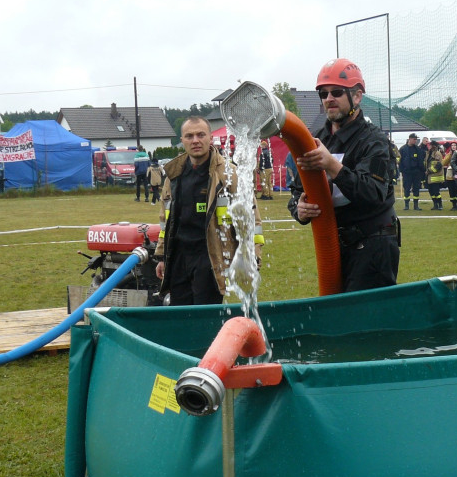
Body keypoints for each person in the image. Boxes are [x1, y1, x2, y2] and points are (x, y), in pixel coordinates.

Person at [289, 58, 399, 292]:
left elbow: (373, 193)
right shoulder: (316, 138)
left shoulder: (374, 141)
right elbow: (297, 190)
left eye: (337, 92)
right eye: (323, 93)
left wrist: (332, 166)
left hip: (373, 244)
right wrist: (299, 209)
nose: (329, 99)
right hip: (333, 243)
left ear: (357, 96)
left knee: (364, 318)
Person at [155, 116, 263, 305]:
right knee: (180, 315)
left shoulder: (228, 174)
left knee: (206, 318)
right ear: (182, 141)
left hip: (211, 257)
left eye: (200, 135)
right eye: (189, 136)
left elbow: (251, 218)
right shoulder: (173, 175)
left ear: (210, 138)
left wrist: (253, 256)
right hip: (179, 257)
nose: (195, 140)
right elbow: (166, 221)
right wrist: (162, 256)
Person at [398, 133, 425, 211]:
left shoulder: (418, 149)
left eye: (416, 139)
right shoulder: (403, 149)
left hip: (416, 172)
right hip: (407, 172)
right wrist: (402, 170)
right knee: (407, 188)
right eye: (414, 139)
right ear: (409, 139)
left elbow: (420, 160)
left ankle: (416, 205)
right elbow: (400, 161)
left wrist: (421, 170)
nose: (415, 141)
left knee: (416, 188)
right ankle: (406, 205)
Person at [441, 141, 457, 211]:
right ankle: (454, 205)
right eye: (452, 145)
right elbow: (443, 163)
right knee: (451, 190)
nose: (453, 146)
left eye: (455, 145)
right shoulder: (449, 154)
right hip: (450, 174)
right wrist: (449, 155)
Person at [425, 140, 446, 210]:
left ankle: (440, 204)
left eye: (430, 145)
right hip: (430, 177)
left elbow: (438, 165)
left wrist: (429, 171)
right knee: (431, 191)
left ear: (433, 146)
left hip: (436, 176)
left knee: (436, 192)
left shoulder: (437, 154)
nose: (429, 147)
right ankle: (435, 205)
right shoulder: (429, 153)